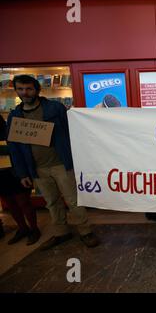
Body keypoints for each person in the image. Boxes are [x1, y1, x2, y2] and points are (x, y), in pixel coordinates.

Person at [7, 75, 99, 250]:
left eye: (29, 89)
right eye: (20, 89)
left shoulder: (55, 108)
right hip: (38, 169)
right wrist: (23, 173)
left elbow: (73, 131)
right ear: (16, 91)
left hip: (62, 164)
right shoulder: (15, 116)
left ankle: (85, 231)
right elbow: (15, 148)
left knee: (73, 201)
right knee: (51, 202)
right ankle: (61, 232)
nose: (24, 93)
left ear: (36, 90)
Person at [1, 114, 41, 245]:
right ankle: (23, 228)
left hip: (16, 171)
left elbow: (19, 149)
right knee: (10, 203)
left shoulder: (10, 130)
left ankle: (34, 230)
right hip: (2, 174)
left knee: (23, 202)